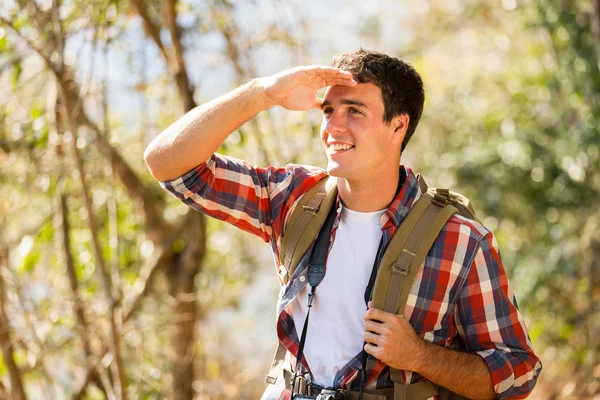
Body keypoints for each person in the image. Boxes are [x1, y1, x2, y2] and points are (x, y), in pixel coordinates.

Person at [144, 49, 541, 399]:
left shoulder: (461, 241)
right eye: (329, 111)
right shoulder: (292, 197)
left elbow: (517, 373)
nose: (333, 126)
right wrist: (263, 92)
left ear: (398, 126)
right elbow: (169, 165)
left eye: (354, 111)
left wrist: (419, 356)